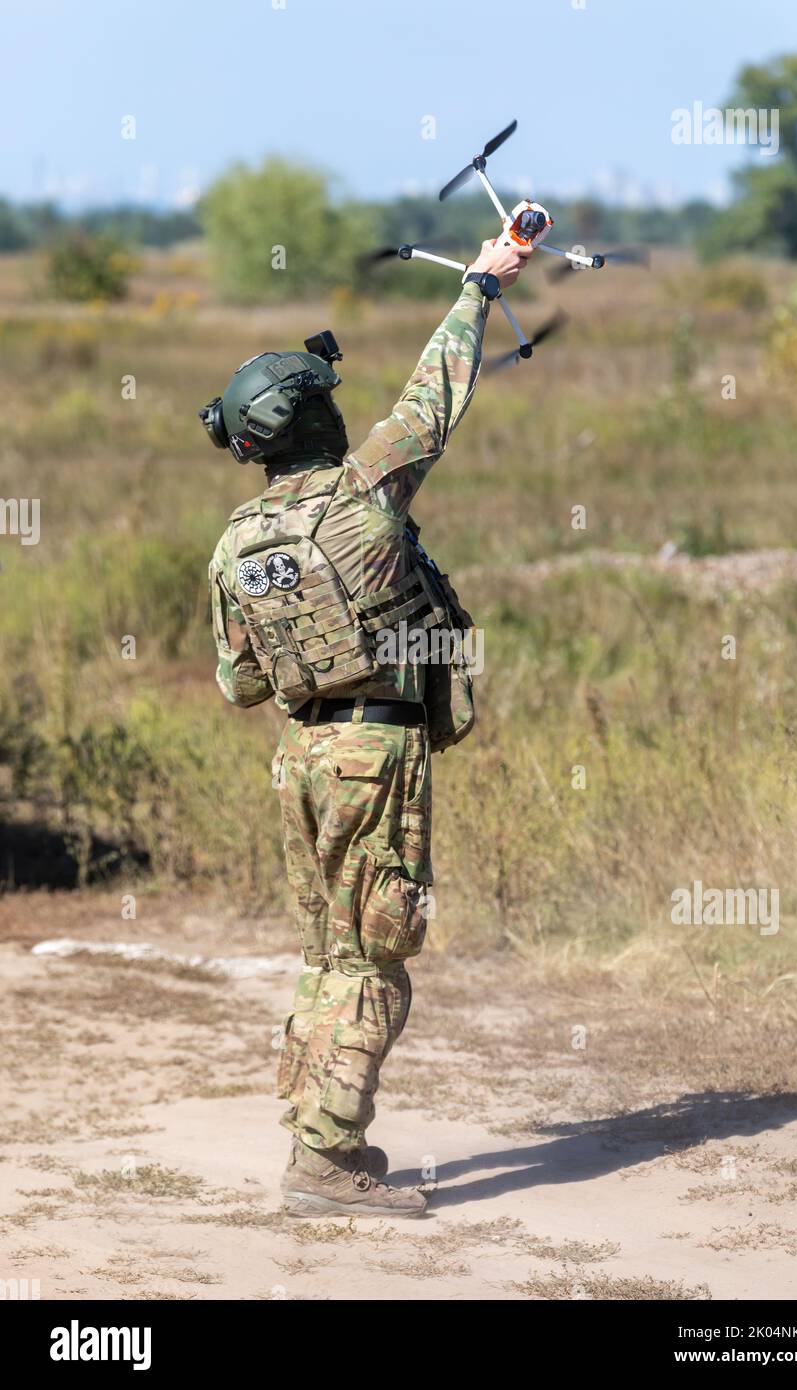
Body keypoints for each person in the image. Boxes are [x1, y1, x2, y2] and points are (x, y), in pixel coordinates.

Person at [204, 237, 531, 1218]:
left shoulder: (235, 543)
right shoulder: (364, 486)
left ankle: (311, 1126)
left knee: (325, 952)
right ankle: (328, 1158)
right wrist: (482, 283)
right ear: (316, 417)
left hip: (299, 757)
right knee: (378, 957)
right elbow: (435, 397)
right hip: (373, 753)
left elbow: (238, 685)